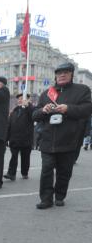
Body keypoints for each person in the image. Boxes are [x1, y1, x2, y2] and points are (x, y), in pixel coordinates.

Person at [33, 62, 92, 209]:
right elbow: (34, 115)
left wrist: (68, 109)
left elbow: (87, 109)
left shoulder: (82, 90)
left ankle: (60, 195)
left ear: (72, 74)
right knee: (46, 169)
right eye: (59, 73)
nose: (62, 75)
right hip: (47, 139)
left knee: (64, 171)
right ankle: (46, 199)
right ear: (55, 75)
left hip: (69, 139)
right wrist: (43, 110)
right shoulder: (47, 93)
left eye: (66, 72)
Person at [4, 93, 34, 181]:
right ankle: (11, 174)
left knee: (25, 157)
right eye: (19, 99)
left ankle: (25, 173)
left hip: (26, 139)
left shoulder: (30, 110)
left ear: (28, 100)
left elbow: (34, 115)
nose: (20, 100)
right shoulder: (14, 111)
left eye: (22, 98)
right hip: (14, 139)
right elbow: (9, 125)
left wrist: (28, 106)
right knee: (13, 157)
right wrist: (6, 139)